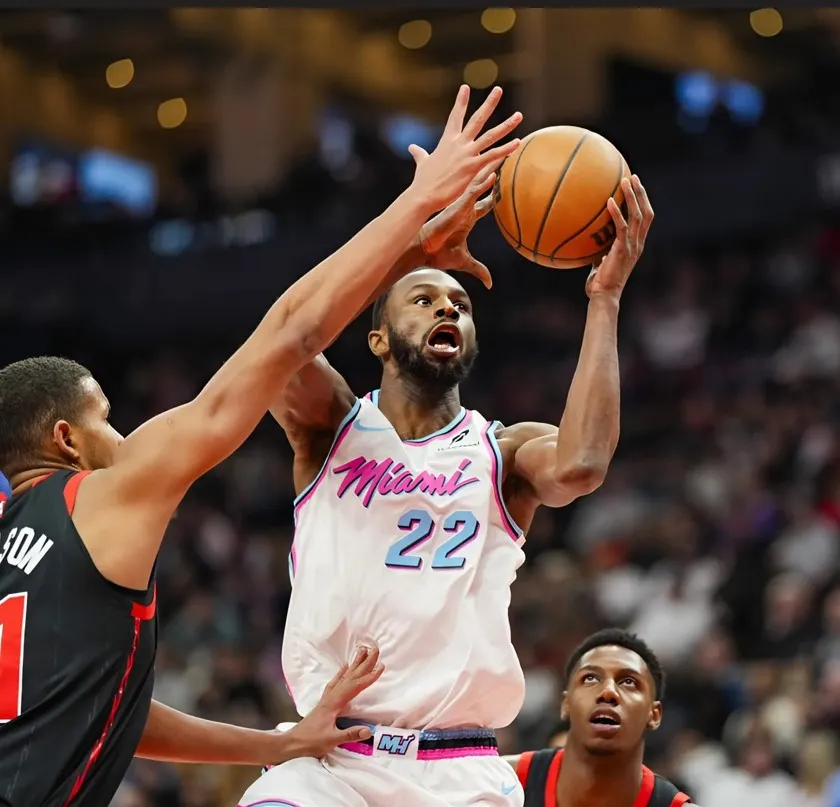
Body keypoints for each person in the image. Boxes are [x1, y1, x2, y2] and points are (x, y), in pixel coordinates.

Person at [0, 83, 522, 807]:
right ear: (67, 440)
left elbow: (112, 716)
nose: (123, 437)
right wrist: (413, 214)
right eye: (108, 420)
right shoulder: (101, 496)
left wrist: (278, 746)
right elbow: (289, 338)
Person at [238, 136, 654, 804]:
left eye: (459, 305)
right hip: (328, 759)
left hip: (458, 770)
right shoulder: (331, 425)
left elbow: (580, 465)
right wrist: (411, 251)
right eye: (424, 299)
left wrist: (603, 299)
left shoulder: (504, 452)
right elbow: (282, 338)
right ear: (378, 339)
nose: (447, 309)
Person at [506, 629, 694, 807]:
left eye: (629, 682)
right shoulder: (497, 781)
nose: (608, 692)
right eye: (590, 678)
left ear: (654, 715)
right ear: (566, 704)